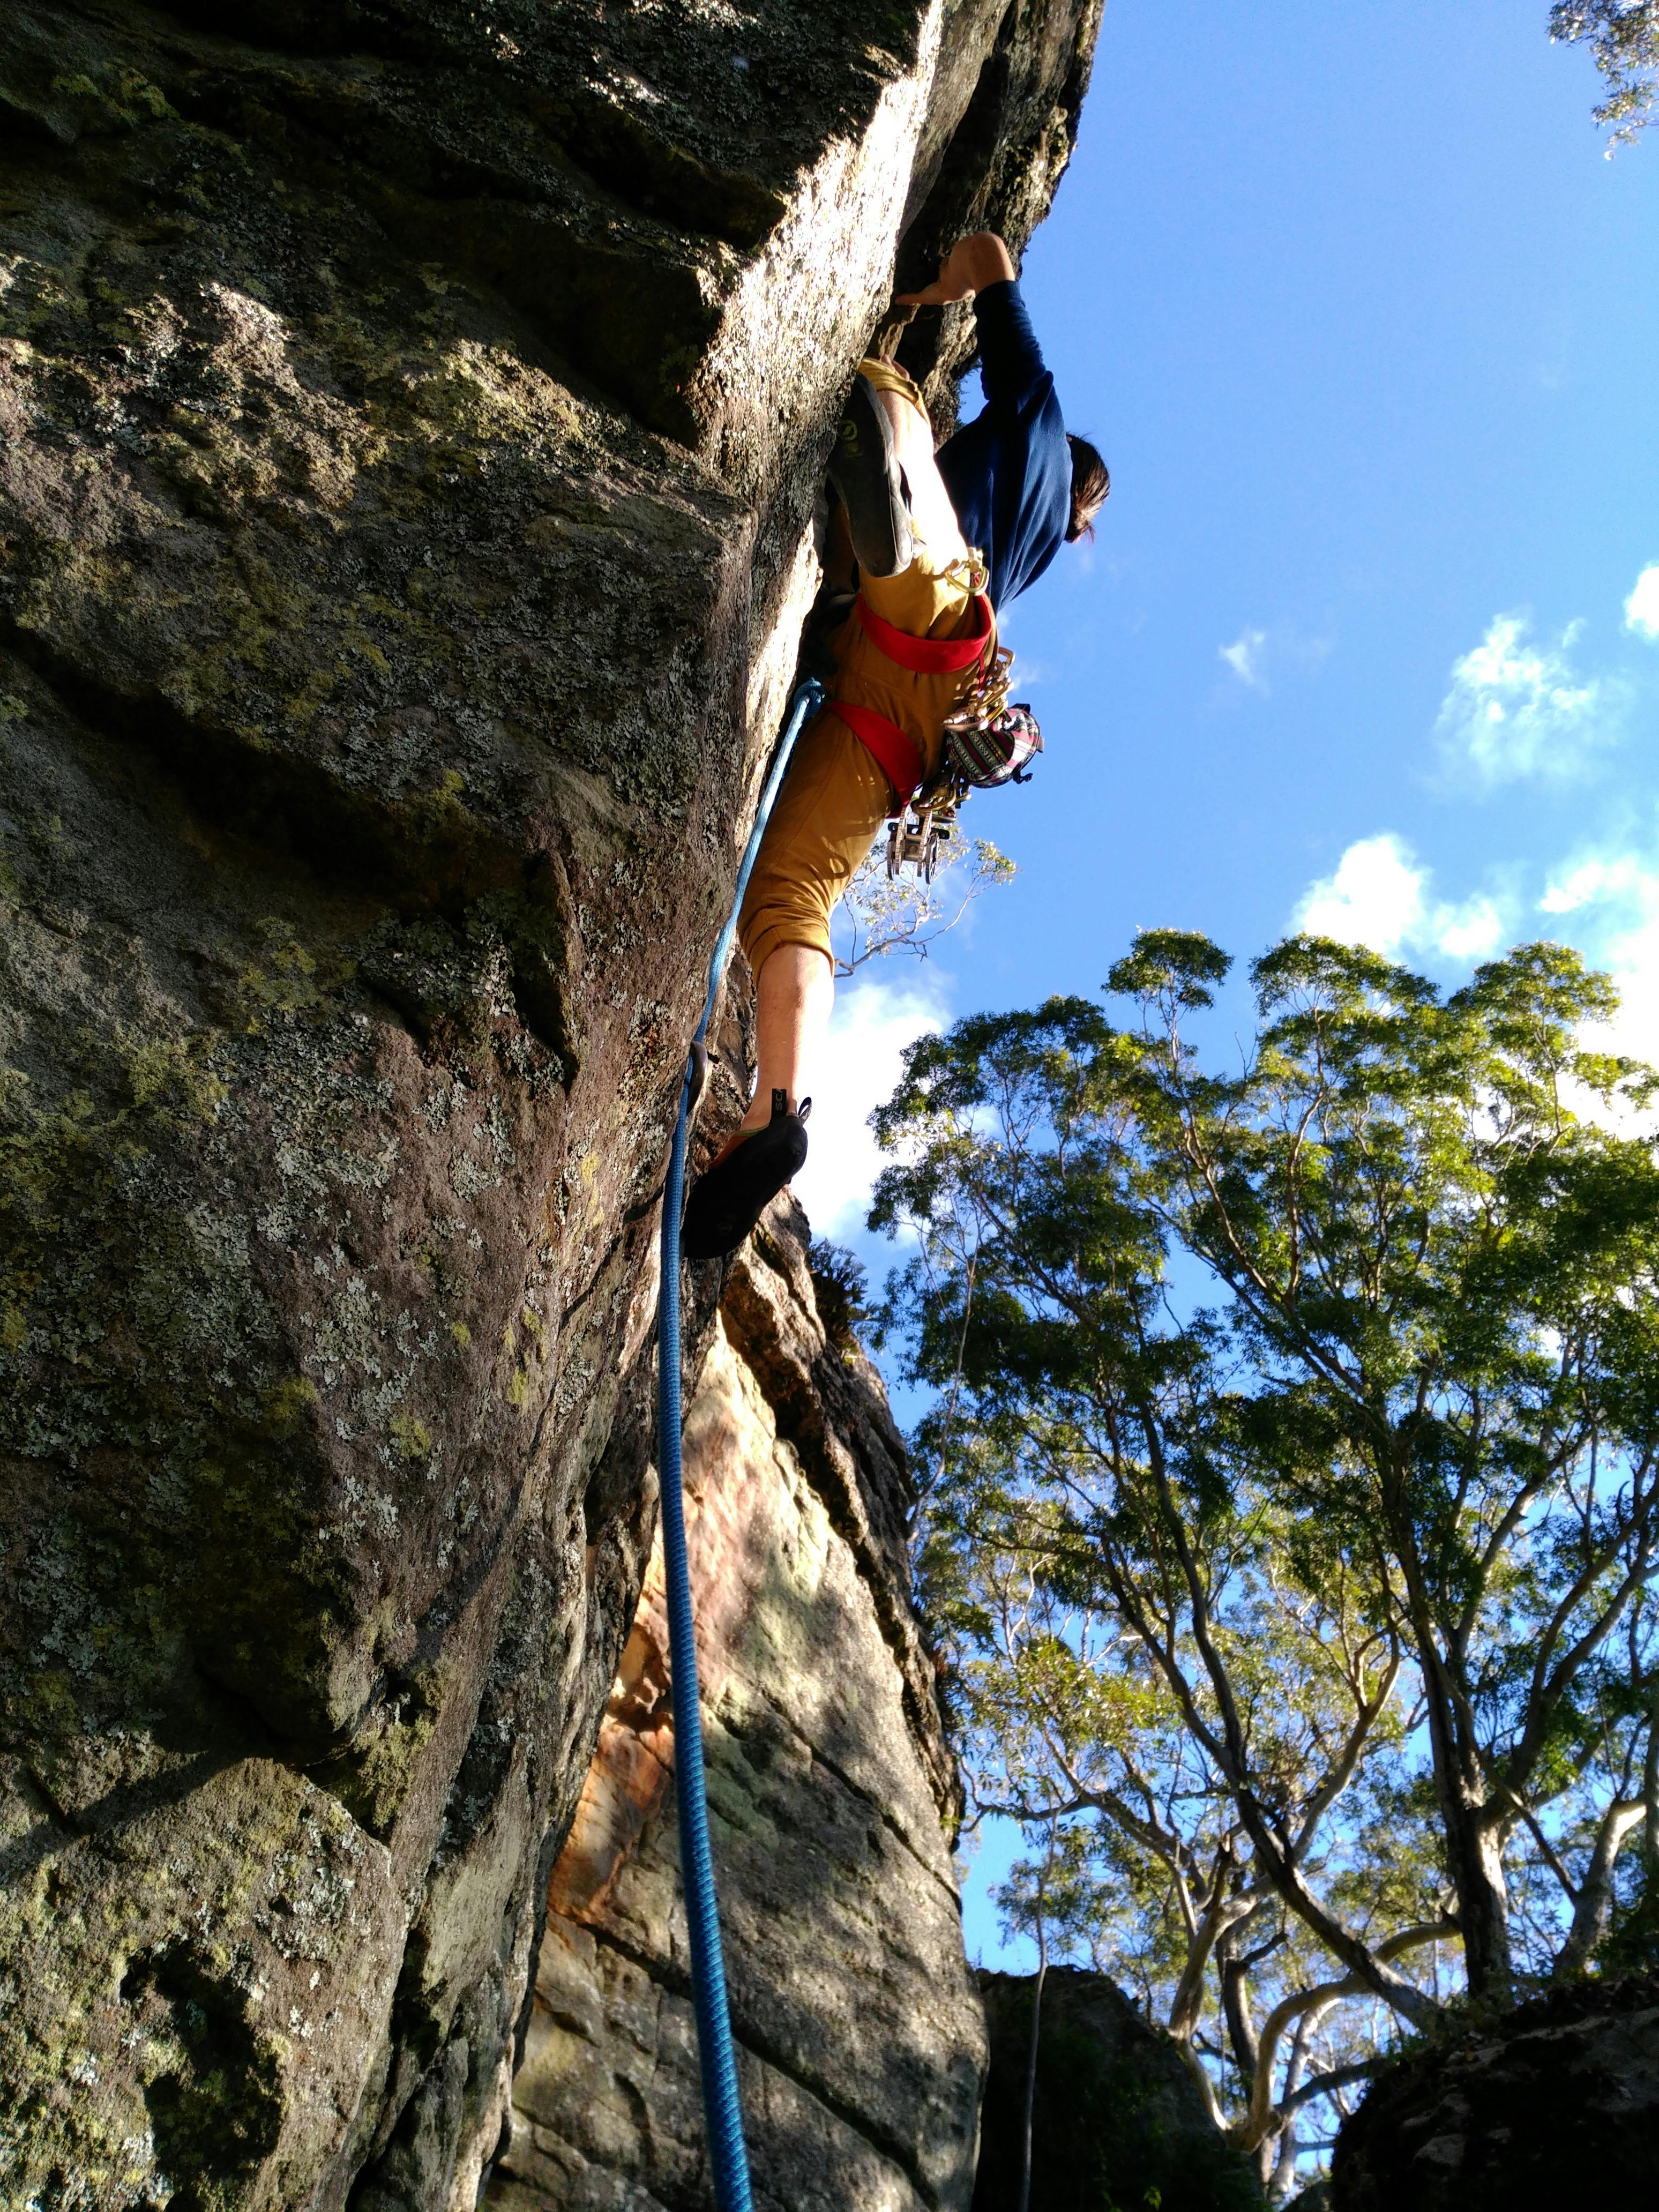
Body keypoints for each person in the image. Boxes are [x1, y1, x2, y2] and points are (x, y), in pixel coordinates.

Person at [681, 232, 1109, 1261]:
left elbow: (995, 254)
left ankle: (893, 481)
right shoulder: (1050, 533)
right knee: (791, 892)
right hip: (917, 716)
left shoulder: (1040, 428)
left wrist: (935, 285)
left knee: (885, 391)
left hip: (932, 613)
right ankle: (775, 1111)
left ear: (1071, 469)